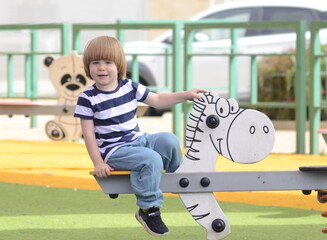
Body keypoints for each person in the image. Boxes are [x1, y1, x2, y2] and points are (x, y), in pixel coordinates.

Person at [74, 36, 206, 236]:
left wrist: (185, 95)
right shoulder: (87, 98)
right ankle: (148, 209)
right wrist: (98, 162)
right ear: (88, 66)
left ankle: (177, 178)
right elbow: (89, 134)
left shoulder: (130, 86)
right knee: (151, 159)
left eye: (108, 62)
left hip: (138, 141)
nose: (102, 68)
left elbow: (159, 100)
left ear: (118, 65)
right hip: (114, 151)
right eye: (95, 62)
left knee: (168, 139)